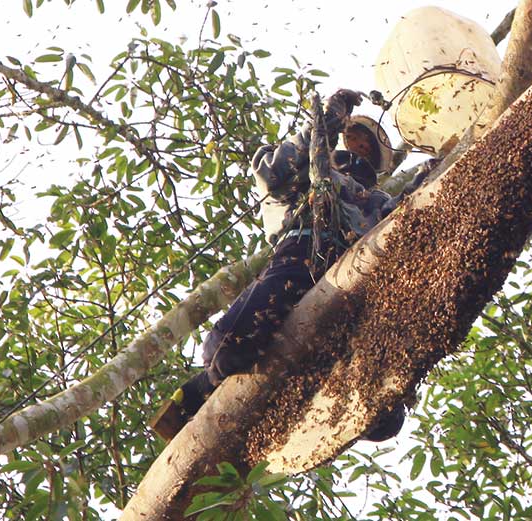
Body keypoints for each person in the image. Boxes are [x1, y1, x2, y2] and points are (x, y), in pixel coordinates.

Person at [151, 89, 430, 442]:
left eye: (368, 148)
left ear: (376, 165)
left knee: (387, 418)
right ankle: (200, 393)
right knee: (227, 347)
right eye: (356, 139)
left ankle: (319, 410)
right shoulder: (306, 171)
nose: (360, 148)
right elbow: (272, 175)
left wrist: (427, 180)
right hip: (302, 250)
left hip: (354, 278)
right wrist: (327, 121)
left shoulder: (376, 200)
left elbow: (400, 225)